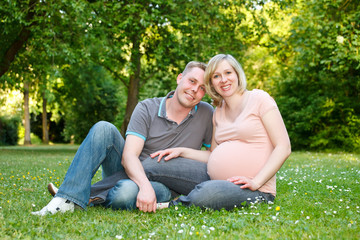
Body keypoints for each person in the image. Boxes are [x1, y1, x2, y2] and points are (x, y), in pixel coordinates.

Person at [31, 61, 213, 215]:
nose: (194, 90)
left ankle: (83, 196)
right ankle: (65, 199)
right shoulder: (147, 108)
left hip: (164, 183)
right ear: (180, 78)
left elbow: (213, 154)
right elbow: (129, 156)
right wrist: (144, 186)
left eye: (202, 88)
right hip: (128, 170)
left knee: (124, 193)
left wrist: (183, 153)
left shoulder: (206, 113)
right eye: (192, 81)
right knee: (103, 128)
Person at [151, 54, 291, 210]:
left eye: (228, 73)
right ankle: (132, 187)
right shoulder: (218, 111)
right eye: (216, 76)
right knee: (157, 163)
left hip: (254, 189)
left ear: (237, 74)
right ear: (211, 83)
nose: (223, 80)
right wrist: (182, 151)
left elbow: (283, 147)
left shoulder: (259, 99)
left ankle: (170, 204)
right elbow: (213, 153)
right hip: (213, 180)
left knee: (206, 194)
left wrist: (256, 182)